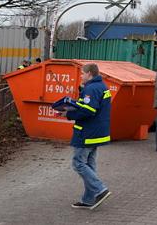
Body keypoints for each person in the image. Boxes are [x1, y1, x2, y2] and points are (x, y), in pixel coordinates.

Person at [61, 63, 112, 210]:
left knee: (78, 163)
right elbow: (89, 106)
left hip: (87, 133)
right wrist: (80, 97)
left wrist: (69, 113)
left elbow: (89, 110)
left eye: (82, 73)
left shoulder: (92, 88)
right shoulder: (101, 86)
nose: (81, 76)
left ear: (89, 73)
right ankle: (89, 199)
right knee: (89, 164)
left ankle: (100, 189)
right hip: (97, 133)